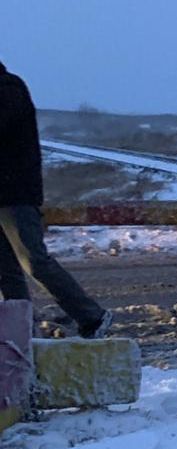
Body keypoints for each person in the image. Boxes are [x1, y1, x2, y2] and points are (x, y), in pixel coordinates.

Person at [0, 60, 111, 339]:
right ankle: (20, 331)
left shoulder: (8, 88)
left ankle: (92, 316)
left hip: (15, 194)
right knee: (5, 270)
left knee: (34, 261)